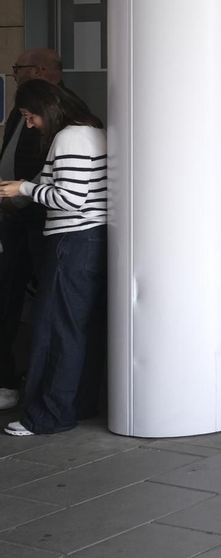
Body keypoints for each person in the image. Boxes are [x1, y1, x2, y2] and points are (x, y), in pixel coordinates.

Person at [0, 81, 107, 436]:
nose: (29, 124)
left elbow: (69, 198)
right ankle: (77, 404)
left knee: (54, 332)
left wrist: (23, 189)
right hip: (90, 240)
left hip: (71, 241)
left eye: (30, 116)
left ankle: (46, 415)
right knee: (79, 331)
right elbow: (55, 181)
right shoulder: (91, 130)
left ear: (49, 108)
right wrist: (19, 192)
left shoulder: (69, 138)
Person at [0, 49, 65, 412]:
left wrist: (19, 197)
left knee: (43, 300)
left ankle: (36, 383)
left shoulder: (59, 114)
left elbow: (50, 171)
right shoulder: (22, 107)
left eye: (16, 67)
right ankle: (8, 378)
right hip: (14, 215)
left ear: (38, 70)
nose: (12, 73)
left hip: (39, 217)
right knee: (8, 294)